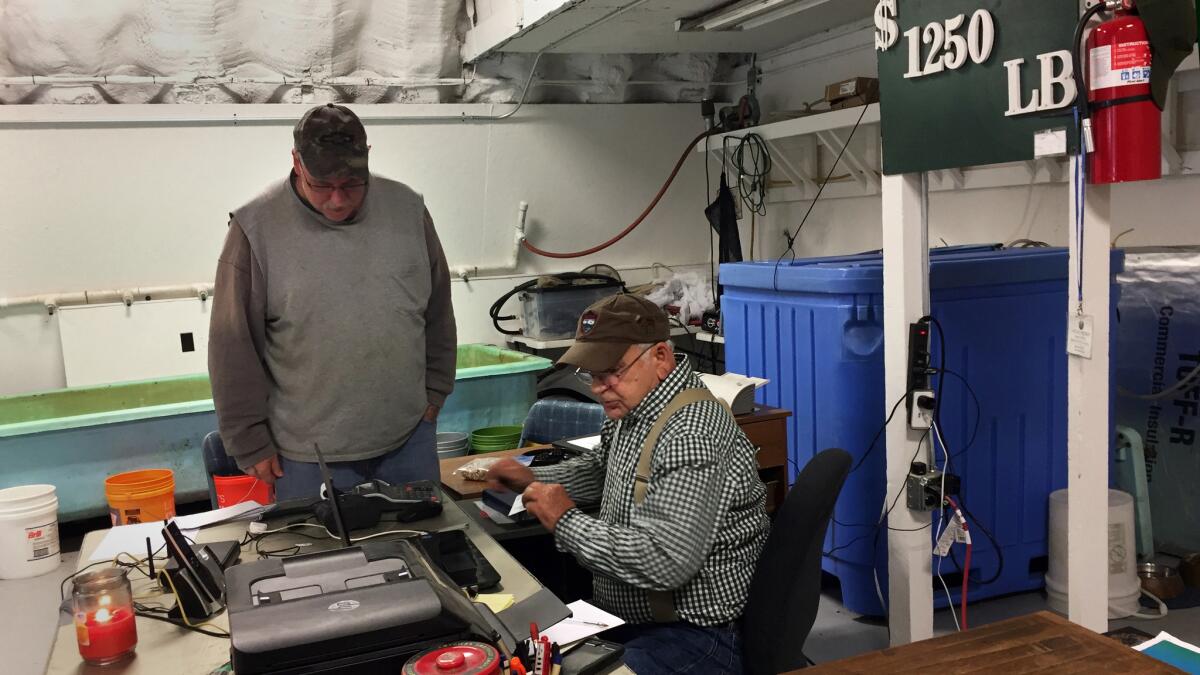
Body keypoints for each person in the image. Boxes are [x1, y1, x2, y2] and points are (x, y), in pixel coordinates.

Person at [487, 294, 769, 675]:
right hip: (629, 618)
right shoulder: (632, 410)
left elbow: (664, 561)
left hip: (694, 636)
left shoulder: (689, 434)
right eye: (592, 374)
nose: (600, 387)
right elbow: (604, 469)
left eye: (612, 371)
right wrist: (533, 479)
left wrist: (566, 520)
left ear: (661, 358)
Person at [208, 103, 456, 501]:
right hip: (308, 456)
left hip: (408, 437)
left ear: (368, 157)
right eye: (322, 185)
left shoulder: (409, 211)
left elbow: (438, 308)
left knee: (424, 554)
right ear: (296, 162)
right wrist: (249, 440)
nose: (338, 200)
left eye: (352, 184)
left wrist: (436, 391)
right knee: (324, 562)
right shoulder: (255, 228)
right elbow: (232, 345)